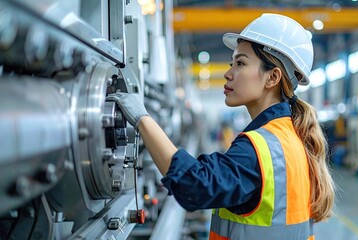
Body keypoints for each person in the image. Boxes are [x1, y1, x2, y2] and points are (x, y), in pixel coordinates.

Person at [107, 13, 335, 240]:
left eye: (240, 63)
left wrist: (142, 118)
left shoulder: (259, 148)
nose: (228, 73)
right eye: (231, 63)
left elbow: (193, 186)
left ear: (272, 77)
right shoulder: (290, 137)